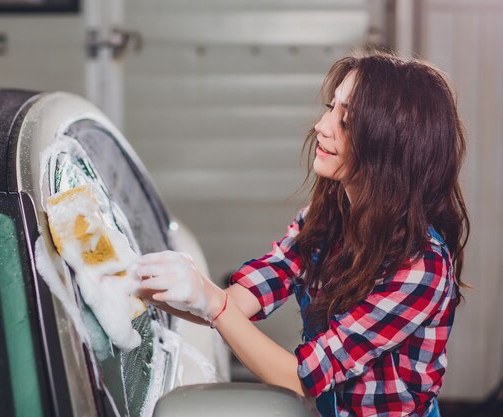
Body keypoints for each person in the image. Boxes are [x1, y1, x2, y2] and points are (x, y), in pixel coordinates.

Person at [134, 51, 469, 417]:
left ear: (391, 144)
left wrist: (212, 302)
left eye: (348, 119)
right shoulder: (324, 222)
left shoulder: (420, 269)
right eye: (331, 107)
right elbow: (238, 302)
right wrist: (134, 282)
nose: (322, 126)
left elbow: (301, 379)